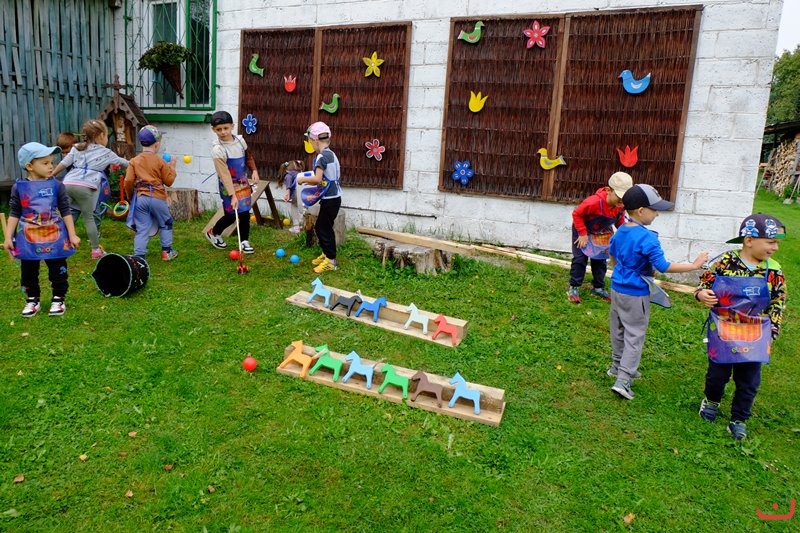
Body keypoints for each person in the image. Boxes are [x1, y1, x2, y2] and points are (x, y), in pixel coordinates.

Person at [608, 184, 708, 400]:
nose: (657, 214)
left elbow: (613, 256)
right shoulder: (648, 238)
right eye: (654, 210)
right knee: (635, 335)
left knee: (618, 330)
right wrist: (693, 265)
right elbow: (663, 266)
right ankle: (623, 380)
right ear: (641, 211)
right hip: (636, 294)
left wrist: (626, 269)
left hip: (617, 289)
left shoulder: (620, 231)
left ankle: (616, 366)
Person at [695, 214, 787, 441]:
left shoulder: (774, 271)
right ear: (749, 240)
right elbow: (705, 283)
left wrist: (772, 330)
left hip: (755, 334)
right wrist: (701, 294)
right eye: (771, 242)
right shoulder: (724, 262)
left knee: (749, 381)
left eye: (776, 243)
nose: (775, 247)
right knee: (717, 374)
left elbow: (778, 302)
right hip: (723, 330)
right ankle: (712, 401)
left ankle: (739, 418)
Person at [3, 142, 81, 317]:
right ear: (30, 166)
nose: (51, 166)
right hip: (27, 238)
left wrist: (73, 234)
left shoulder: (57, 186)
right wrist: (8, 237)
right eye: (45, 163)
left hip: (56, 236)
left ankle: (58, 298)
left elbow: (65, 210)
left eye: (51, 162)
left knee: (58, 268)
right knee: (28, 271)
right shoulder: (18, 188)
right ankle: (32, 300)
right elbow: (14, 213)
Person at [50, 119, 128, 259]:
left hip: (67, 183)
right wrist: (140, 163)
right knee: (89, 218)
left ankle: (57, 244)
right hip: (85, 187)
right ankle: (95, 250)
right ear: (101, 135)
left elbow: (64, 163)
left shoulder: (77, 147)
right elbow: (124, 163)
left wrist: (52, 175)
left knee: (67, 214)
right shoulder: (106, 152)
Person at [568, 172, 633, 303]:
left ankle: (598, 288)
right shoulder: (593, 202)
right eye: (619, 196)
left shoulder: (621, 206)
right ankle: (573, 287)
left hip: (602, 232)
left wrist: (625, 233)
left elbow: (619, 220)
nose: (622, 201)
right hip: (583, 231)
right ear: (609, 190)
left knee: (600, 259)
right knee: (580, 258)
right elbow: (577, 214)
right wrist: (582, 234)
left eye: (625, 198)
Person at [205, 111, 260, 253]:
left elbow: (248, 156)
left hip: (242, 183)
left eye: (226, 128)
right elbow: (224, 175)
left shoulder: (240, 141)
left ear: (232, 126)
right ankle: (213, 232)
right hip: (227, 185)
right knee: (231, 215)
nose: (223, 132)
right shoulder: (218, 150)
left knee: (245, 213)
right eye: (219, 129)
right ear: (213, 129)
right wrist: (232, 195)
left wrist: (254, 170)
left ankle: (244, 241)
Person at [125, 125, 178, 260]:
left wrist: (131, 197)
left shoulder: (134, 161)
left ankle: (139, 256)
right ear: (157, 144)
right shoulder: (160, 161)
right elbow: (169, 181)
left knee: (142, 227)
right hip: (158, 198)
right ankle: (166, 252)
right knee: (166, 223)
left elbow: (128, 181)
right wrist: (172, 168)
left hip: (141, 198)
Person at [297, 121, 342, 273]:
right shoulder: (331, 154)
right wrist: (311, 181)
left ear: (315, 140)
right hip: (334, 198)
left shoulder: (321, 157)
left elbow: (317, 179)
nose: (311, 145)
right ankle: (326, 253)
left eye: (310, 141)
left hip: (330, 199)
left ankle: (331, 260)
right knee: (323, 227)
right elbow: (324, 178)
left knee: (323, 228)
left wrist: (302, 179)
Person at [279, 159, 305, 234]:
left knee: (294, 207)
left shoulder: (288, 175)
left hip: (296, 193)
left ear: (286, 169)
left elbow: (288, 181)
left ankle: (296, 226)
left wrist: (287, 193)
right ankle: (302, 225)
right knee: (302, 209)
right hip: (303, 193)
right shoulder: (301, 173)